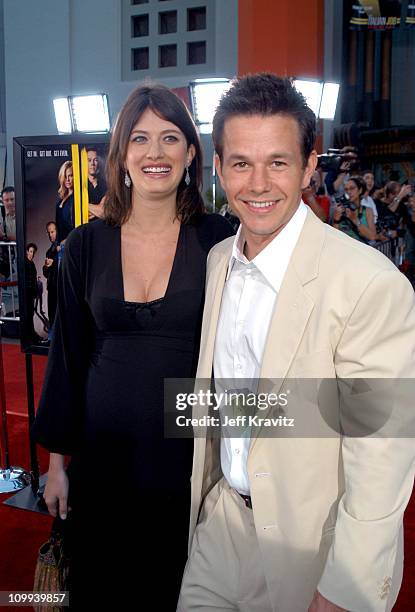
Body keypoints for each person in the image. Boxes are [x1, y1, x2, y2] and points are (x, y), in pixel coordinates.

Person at [178, 74, 415, 612]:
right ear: (218, 168)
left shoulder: (368, 284)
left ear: (309, 165)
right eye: (241, 163)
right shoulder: (219, 261)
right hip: (220, 527)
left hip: (309, 546)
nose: (258, 183)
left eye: (278, 162)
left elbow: (382, 452)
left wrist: (346, 588)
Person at [32, 83, 233, 609]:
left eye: (170, 138)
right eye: (140, 139)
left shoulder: (222, 241)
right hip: (102, 465)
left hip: (187, 466)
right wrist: (57, 465)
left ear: (191, 153)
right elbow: (68, 356)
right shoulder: (84, 245)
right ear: (120, 155)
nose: (155, 153)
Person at [332, 175, 376, 242]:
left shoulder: (367, 211)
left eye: (352, 188)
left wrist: (354, 219)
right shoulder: (340, 209)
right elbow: (334, 237)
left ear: (360, 190)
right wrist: (336, 220)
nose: (349, 192)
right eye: (346, 189)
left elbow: (372, 237)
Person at [42, 221, 59, 332]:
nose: (50, 235)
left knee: (60, 314)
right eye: (48, 232)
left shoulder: (63, 248)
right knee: (52, 314)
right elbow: (45, 274)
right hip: (52, 287)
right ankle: (52, 340)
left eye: (52, 232)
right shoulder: (49, 251)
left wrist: (55, 263)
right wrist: (47, 267)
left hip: (61, 287)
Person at [85, 146, 107, 220]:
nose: (92, 164)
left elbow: (103, 212)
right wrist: (96, 209)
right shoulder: (79, 184)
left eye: (95, 160)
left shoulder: (106, 185)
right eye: (89, 160)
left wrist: (83, 204)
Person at [55, 161, 74, 244]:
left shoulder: (77, 198)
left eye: (70, 176)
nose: (68, 180)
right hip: (61, 245)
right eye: (65, 176)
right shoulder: (61, 199)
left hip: (71, 243)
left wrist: (67, 241)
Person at [24, 242, 40, 343]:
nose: (32, 254)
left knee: (30, 314)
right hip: (27, 294)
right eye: (30, 251)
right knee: (28, 315)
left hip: (31, 294)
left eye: (33, 252)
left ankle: (31, 335)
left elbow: (33, 279)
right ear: (26, 252)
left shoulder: (32, 263)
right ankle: (30, 336)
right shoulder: (26, 263)